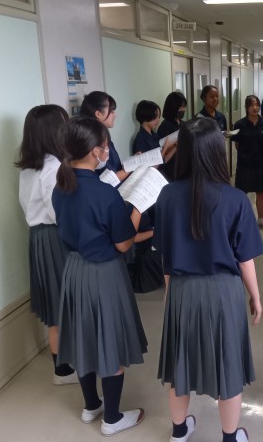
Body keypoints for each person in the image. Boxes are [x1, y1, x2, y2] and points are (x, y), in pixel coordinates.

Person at [153, 117, 263, 442]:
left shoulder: (167, 195)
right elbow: (245, 259)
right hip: (223, 293)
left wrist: (170, 295)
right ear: (218, 151)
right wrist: (256, 297)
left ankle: (178, 433)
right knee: (227, 365)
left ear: (183, 151)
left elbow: (166, 257)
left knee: (179, 364)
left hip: (182, 290)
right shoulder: (235, 199)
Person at [52, 116, 148, 437]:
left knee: (84, 340)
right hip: (103, 274)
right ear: (96, 151)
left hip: (74, 271)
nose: (108, 150)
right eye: (105, 145)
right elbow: (123, 243)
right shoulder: (104, 193)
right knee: (110, 344)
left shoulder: (60, 187)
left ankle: (91, 405)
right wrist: (137, 208)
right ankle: (113, 418)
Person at [16, 104, 77, 385]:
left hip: (38, 238)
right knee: (63, 305)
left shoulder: (29, 168)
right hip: (54, 238)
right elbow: (58, 213)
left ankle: (62, 368)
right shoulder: (53, 168)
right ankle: (64, 370)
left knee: (55, 306)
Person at [130, 100, 170, 294]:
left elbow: (162, 161)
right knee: (152, 224)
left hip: (157, 181)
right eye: (155, 116)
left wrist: (171, 148)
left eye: (159, 116)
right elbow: (149, 166)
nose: (158, 120)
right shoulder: (140, 139)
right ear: (145, 117)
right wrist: (164, 150)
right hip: (147, 187)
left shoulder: (153, 135)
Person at [231, 95, 263, 229]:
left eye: (257, 105)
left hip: (261, 163)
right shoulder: (239, 124)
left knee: (260, 192)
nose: (255, 108)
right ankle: (241, 219)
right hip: (244, 164)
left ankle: (260, 219)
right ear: (246, 107)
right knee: (242, 193)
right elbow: (237, 144)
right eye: (251, 105)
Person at [80, 91, 129, 181]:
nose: (115, 115)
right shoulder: (92, 143)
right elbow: (109, 179)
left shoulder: (105, 137)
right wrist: (131, 168)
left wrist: (132, 161)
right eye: (112, 112)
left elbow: (115, 167)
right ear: (98, 114)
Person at [157, 91, 187, 182]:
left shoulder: (183, 124)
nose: (183, 109)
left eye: (184, 107)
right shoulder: (165, 126)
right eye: (180, 107)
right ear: (173, 107)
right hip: (171, 169)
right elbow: (163, 150)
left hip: (183, 166)